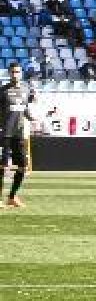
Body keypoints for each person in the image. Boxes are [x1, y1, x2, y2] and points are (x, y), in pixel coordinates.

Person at [0, 62, 36, 207]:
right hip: (5, 134)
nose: (15, 74)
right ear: (9, 73)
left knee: (22, 166)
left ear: (21, 73)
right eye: (13, 72)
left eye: (18, 72)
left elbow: (24, 109)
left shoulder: (26, 90)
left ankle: (12, 197)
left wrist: (32, 118)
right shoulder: (2, 91)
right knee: (2, 166)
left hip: (19, 134)